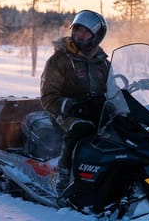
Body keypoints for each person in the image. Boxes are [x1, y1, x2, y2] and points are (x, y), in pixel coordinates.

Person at [40, 10, 109, 196]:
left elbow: (115, 87)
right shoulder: (60, 59)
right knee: (80, 128)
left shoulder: (102, 62)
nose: (80, 35)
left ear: (97, 35)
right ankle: (64, 183)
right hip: (64, 112)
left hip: (95, 111)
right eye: (77, 29)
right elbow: (48, 97)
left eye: (86, 31)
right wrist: (73, 106)